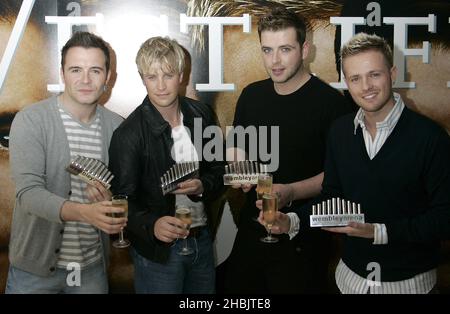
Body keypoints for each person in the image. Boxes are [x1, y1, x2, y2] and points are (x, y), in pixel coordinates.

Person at [271, 33, 450, 293]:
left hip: (409, 285)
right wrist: (291, 221)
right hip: (349, 281)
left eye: (374, 75)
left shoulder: (431, 137)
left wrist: (378, 232)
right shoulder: (339, 132)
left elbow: (444, 219)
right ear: (347, 83)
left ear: (393, 74)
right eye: (355, 78)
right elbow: (331, 197)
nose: (366, 86)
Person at [224, 7, 350, 294]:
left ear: (305, 49)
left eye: (285, 49)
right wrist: (238, 164)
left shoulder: (331, 104)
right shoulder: (252, 95)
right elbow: (235, 146)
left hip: (303, 236)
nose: (275, 61)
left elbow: (338, 176)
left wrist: (291, 192)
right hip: (252, 228)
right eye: (267, 50)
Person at [5, 31, 124, 294]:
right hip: (33, 271)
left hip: (91, 267)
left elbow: (124, 191)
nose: (85, 79)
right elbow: (29, 194)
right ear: (62, 74)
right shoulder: (32, 120)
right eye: (75, 69)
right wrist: (85, 212)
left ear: (108, 76)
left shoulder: (118, 127)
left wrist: (109, 197)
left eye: (95, 70)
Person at [108, 36, 225, 294]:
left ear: (181, 75)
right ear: (142, 78)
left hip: (201, 242)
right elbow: (120, 200)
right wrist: (152, 225)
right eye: (152, 77)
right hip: (159, 255)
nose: (160, 86)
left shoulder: (202, 114)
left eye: (168, 75)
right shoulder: (128, 134)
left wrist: (201, 185)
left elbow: (219, 170)